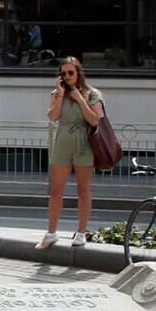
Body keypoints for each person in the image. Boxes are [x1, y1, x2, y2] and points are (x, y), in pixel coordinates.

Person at [42, 56, 106, 246]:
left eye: (71, 72)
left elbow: (95, 120)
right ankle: (51, 233)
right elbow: (53, 116)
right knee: (56, 190)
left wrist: (79, 98)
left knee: (83, 189)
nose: (67, 76)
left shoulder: (92, 94)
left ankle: (81, 232)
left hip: (84, 145)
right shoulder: (57, 93)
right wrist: (61, 95)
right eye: (63, 73)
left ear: (79, 73)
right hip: (62, 144)